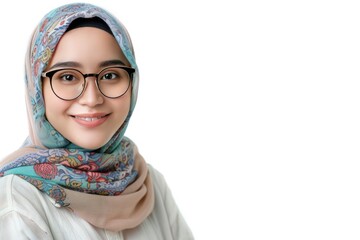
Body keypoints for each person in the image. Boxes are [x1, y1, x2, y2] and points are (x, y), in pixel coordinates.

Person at [0, 3, 193, 239]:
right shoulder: (17, 200)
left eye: (111, 75)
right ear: (37, 89)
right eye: (67, 76)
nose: (92, 98)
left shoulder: (145, 182)